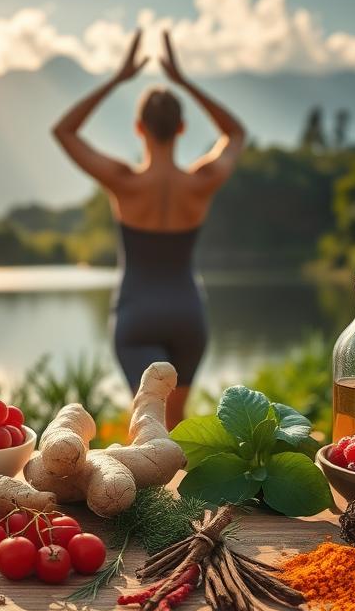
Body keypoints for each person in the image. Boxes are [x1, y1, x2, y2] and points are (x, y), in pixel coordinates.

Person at [52, 30, 245, 428]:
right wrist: (184, 80)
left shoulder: (124, 181)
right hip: (187, 313)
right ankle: (182, 493)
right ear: (181, 128)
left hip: (137, 313)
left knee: (149, 426)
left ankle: (144, 491)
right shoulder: (201, 181)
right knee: (176, 428)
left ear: (139, 128)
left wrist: (117, 79)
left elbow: (65, 132)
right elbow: (236, 133)